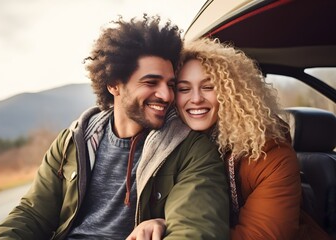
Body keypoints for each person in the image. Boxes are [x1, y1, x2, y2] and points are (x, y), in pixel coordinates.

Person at [0, 16, 230, 240]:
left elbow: (195, 230)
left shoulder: (190, 150)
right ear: (114, 85)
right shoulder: (72, 141)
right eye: (151, 82)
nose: (166, 95)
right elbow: (31, 214)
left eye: (170, 84)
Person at [127, 38, 332, 240]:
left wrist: (170, 228)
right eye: (183, 88)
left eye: (208, 87)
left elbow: (260, 235)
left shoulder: (271, 154)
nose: (196, 98)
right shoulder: (170, 147)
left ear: (231, 93)